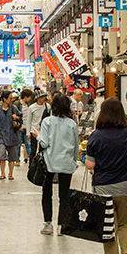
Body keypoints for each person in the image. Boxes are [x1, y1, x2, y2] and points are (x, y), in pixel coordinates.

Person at [84, 98, 127, 254]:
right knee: (125, 224)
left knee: (108, 228)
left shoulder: (96, 135)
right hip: (125, 185)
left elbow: (90, 164)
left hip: (102, 187)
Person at [35, 94, 80, 236]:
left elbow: (44, 143)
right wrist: (74, 161)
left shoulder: (47, 122)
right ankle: (62, 225)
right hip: (67, 163)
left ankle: (48, 224)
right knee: (64, 195)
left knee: (47, 193)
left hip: (49, 163)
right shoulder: (72, 124)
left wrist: (37, 135)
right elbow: (76, 146)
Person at [0, 92, 22, 180]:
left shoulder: (14, 108)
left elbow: (21, 118)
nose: (11, 100)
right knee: (1, 154)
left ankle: (10, 173)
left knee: (12, 156)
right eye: (10, 98)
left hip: (12, 135)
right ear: (4, 99)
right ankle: (2, 173)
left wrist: (16, 117)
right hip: (1, 135)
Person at [26, 91, 50, 164]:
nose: (43, 99)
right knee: (33, 149)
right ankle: (32, 165)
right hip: (34, 131)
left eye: (44, 97)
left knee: (43, 149)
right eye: (42, 97)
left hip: (44, 131)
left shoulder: (48, 106)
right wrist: (28, 133)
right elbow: (29, 120)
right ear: (38, 98)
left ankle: (41, 165)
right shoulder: (32, 107)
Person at [18, 89, 35, 162]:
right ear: (25, 97)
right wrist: (18, 126)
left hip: (27, 127)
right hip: (19, 128)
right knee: (18, 144)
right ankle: (17, 159)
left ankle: (31, 159)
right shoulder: (17, 104)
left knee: (28, 144)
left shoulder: (30, 105)